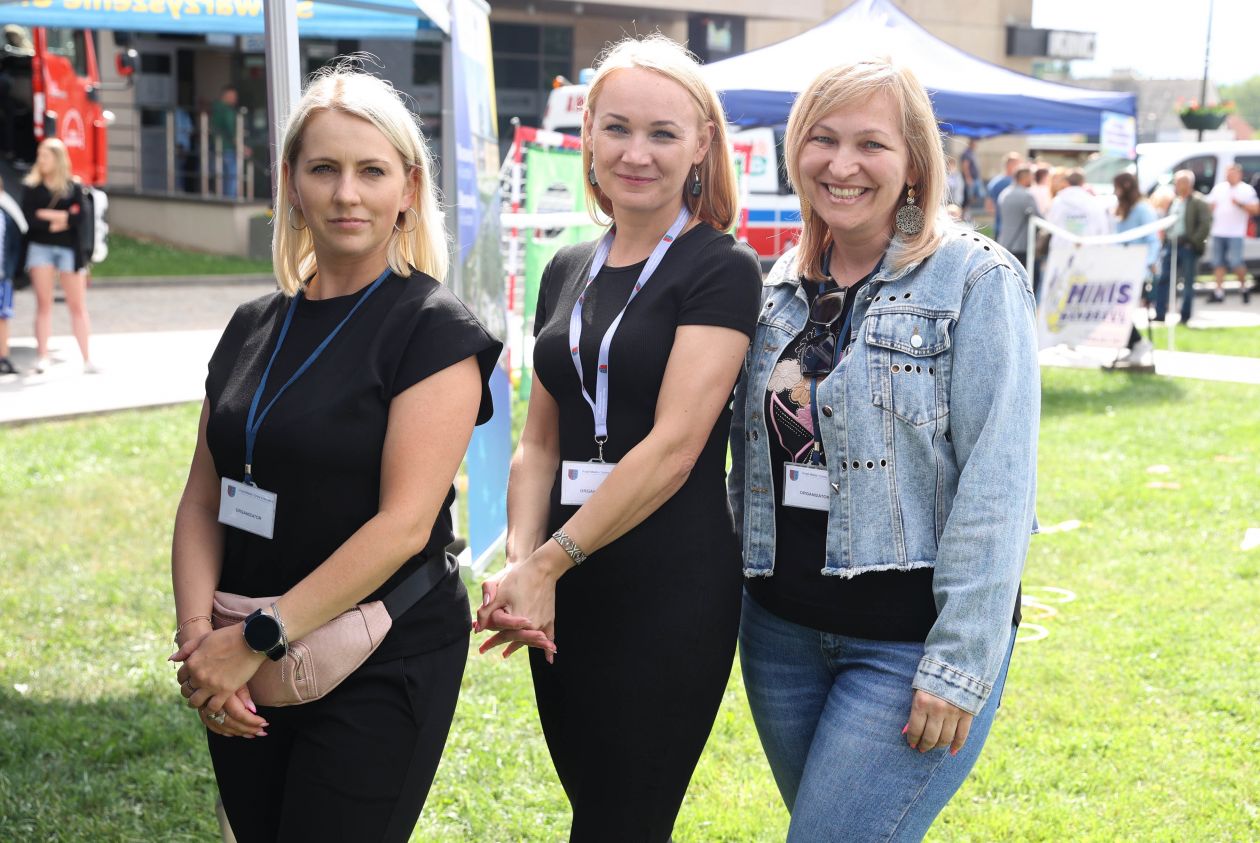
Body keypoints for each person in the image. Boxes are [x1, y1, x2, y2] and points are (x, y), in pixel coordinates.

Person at [168, 65, 501, 842]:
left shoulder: (434, 331)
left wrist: (252, 641)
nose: (347, 194)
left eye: (371, 171)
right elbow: (202, 498)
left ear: (408, 188)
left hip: (377, 654)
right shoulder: (251, 325)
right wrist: (199, 642)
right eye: (324, 169)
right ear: (291, 182)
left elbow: (403, 526)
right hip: (236, 655)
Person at [730, 58, 1038, 841]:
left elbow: (998, 486)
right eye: (823, 139)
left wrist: (959, 663)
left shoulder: (974, 279)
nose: (842, 164)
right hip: (779, 638)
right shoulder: (780, 285)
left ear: (913, 165)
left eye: (871, 143)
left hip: (907, 649)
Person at [475, 34, 761, 841]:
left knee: (622, 819)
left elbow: (674, 449)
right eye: (618, 128)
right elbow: (538, 441)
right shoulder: (567, 266)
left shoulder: (721, 267)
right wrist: (523, 565)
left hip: (665, 588)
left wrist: (547, 562)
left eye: (663, 133)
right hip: (562, 592)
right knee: (594, 810)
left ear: (701, 145)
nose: (637, 153)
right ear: (589, 136)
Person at [21, 137, 94, 374]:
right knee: (44, 304)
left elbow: (80, 217)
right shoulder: (32, 186)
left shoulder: (74, 187)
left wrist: (48, 216)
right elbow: (30, 218)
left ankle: (87, 359)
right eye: (39, 155)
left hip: (69, 250)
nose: (41, 160)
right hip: (40, 248)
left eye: (46, 156)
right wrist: (63, 218)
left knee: (77, 305)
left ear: (58, 159)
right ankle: (43, 356)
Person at [1112, 172, 1161, 364]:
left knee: (1121, 308)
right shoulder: (1124, 209)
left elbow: (1153, 240)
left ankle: (1137, 343)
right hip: (1123, 267)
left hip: (1137, 270)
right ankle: (1133, 344)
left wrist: (1147, 263)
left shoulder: (1142, 209)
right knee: (1117, 308)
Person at [1154, 170, 1212, 326]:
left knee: (1187, 282)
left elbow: (1205, 224)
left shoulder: (1198, 201)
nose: (1178, 185)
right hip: (1171, 245)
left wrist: (1193, 242)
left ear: (1189, 183)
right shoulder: (1174, 201)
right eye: (1177, 182)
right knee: (1164, 278)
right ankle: (1160, 313)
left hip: (1187, 246)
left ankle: (1185, 316)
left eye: (1181, 182)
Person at [1205, 163, 1258, 303]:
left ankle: (1243, 288)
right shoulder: (1219, 188)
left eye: (1232, 173)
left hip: (1236, 233)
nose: (1229, 176)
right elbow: (1209, 205)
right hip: (1218, 231)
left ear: (1239, 174)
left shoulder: (1246, 190)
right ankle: (1218, 292)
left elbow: (1256, 209)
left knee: (1236, 263)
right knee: (1218, 263)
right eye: (1228, 173)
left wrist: (1239, 204)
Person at [1045, 168, 1110, 250]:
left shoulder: (1057, 201)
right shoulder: (1093, 202)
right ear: (1083, 182)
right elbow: (1102, 227)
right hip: (1087, 247)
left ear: (1067, 182)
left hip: (1061, 247)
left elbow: (1050, 222)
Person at [0, 174, 26, 374]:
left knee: (3, 316)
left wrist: (13, 273)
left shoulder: (7, 214)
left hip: (3, 276)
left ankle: (3, 357)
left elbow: (17, 245)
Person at [996, 162, 1038, 269]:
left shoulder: (1004, 193)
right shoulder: (1027, 195)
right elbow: (1038, 218)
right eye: (1031, 177)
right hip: (1021, 245)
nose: (1032, 179)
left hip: (1005, 243)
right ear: (1025, 178)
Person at [212, 85, 241, 198]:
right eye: (234, 96)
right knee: (232, 176)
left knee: (222, 176)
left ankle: (223, 198)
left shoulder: (215, 109)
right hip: (228, 148)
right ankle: (230, 200)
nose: (235, 99)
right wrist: (242, 147)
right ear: (226, 95)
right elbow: (231, 131)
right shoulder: (227, 111)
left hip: (216, 147)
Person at [985, 151, 1022, 237]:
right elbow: (989, 207)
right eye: (1018, 164)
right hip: (1009, 230)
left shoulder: (995, 181)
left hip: (1001, 228)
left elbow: (989, 208)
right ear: (1011, 165)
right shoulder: (1001, 183)